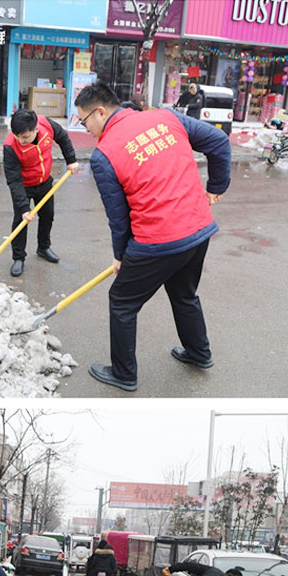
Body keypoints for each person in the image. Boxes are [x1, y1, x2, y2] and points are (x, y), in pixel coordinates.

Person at [74, 81, 231, 392]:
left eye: (83, 120)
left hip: (158, 240)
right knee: (184, 293)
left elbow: (118, 217)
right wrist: (216, 186)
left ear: (101, 112)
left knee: (122, 302)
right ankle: (200, 353)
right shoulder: (165, 118)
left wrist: (121, 255)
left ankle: (123, 373)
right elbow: (219, 143)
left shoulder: (104, 155)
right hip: (198, 230)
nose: (85, 127)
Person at [3, 108, 80, 277]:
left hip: (45, 182)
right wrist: (24, 208)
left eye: (24, 137)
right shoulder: (10, 146)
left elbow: (63, 138)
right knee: (20, 222)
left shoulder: (46, 125)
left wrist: (71, 160)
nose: (20, 140)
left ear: (36, 129)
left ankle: (43, 247)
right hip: (23, 186)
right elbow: (14, 180)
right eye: (17, 136)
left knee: (47, 215)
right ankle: (18, 257)